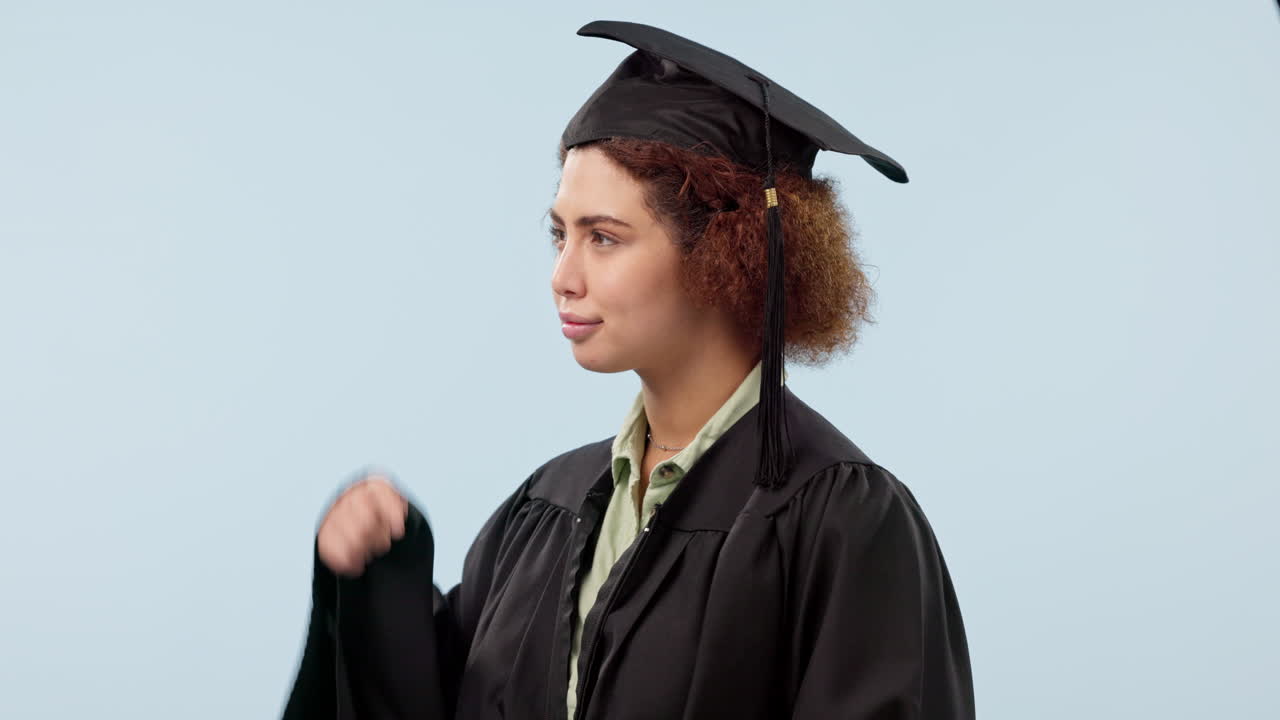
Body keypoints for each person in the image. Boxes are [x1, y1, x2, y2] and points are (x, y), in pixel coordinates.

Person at [282, 20, 974, 720]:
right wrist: (375, 582)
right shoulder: (546, 506)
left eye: (604, 238)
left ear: (727, 254)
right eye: (560, 234)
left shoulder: (842, 521)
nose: (562, 276)